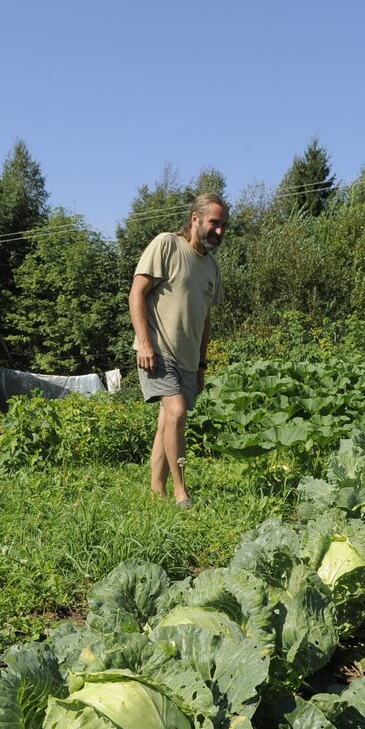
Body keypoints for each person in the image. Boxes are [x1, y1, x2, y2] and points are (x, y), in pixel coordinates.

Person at [129, 192, 229, 508]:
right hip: (158, 349)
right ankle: (180, 493)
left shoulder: (212, 267)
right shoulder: (167, 245)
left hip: (188, 359)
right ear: (195, 218)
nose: (219, 231)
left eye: (224, 225)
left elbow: (205, 317)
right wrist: (144, 342)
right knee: (176, 413)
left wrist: (201, 364)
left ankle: (155, 492)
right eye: (215, 223)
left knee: (167, 423)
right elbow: (136, 293)